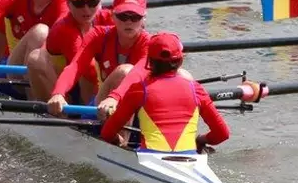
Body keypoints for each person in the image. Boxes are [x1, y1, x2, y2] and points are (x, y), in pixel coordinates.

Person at [99, 32, 231, 152]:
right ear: (180, 60)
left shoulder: (138, 90)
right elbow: (222, 134)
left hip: (150, 159)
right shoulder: (196, 89)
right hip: (190, 159)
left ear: (149, 62)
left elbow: (107, 133)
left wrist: (118, 141)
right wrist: (201, 140)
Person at [45, 0, 150, 111]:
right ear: (113, 16)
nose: (128, 22)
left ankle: (120, 129)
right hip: (102, 104)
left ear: (144, 18)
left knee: (127, 71)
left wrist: (115, 97)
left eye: (135, 17)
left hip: (136, 106)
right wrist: (58, 92)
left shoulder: (149, 43)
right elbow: (75, 67)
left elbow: (137, 74)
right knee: (122, 71)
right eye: (123, 16)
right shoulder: (98, 35)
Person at [25, 0, 112, 101]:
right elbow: (88, 70)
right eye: (79, 3)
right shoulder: (65, 28)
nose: (86, 9)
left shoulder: (112, 18)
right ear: (68, 4)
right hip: (64, 88)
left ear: (100, 3)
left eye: (92, 2)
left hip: (87, 83)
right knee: (35, 59)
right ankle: (75, 114)